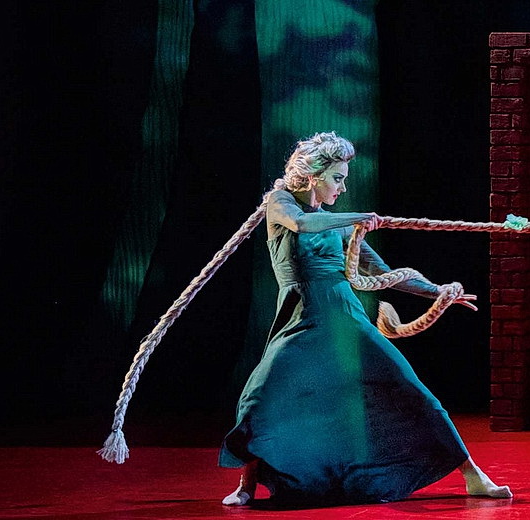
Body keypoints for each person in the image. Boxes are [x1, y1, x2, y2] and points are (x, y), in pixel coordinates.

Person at [219, 132, 511, 506]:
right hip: (300, 319)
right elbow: (301, 224)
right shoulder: (280, 203)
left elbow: (384, 273)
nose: (343, 187)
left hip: (346, 319)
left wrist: (438, 291)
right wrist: (361, 217)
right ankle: (247, 484)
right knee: (261, 397)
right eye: (337, 178)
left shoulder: (340, 224)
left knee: (409, 389)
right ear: (313, 176)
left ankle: (473, 475)